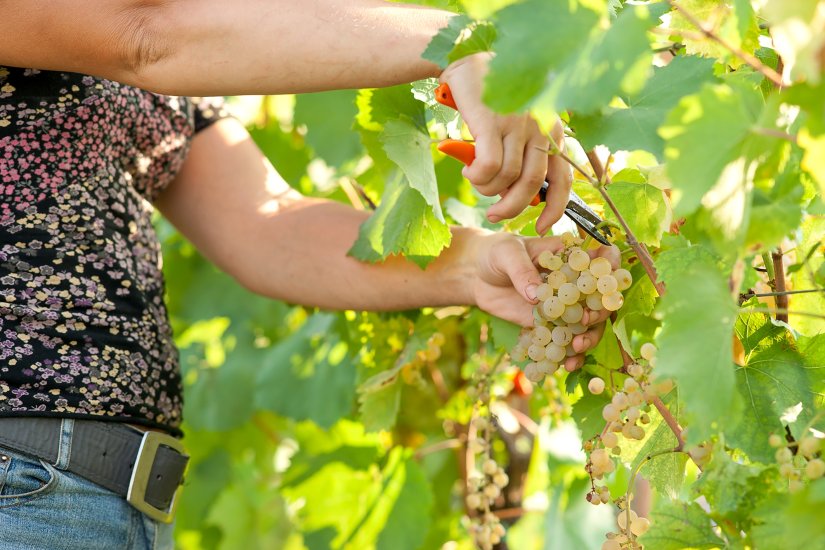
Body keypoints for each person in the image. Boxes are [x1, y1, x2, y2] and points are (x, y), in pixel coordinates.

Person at [0, 1, 618, 548]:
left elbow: (265, 225)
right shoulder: (131, 26)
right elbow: (145, 35)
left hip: (98, 502)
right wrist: (461, 44)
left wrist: (472, 266)